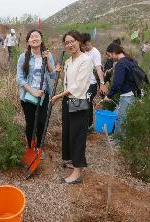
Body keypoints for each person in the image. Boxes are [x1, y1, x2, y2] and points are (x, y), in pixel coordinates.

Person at [51, 30, 93, 184]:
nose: (70, 44)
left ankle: (77, 171)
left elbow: (79, 86)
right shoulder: (68, 62)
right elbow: (66, 82)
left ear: (79, 41)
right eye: (67, 42)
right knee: (69, 133)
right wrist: (59, 72)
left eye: (72, 41)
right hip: (67, 100)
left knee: (77, 136)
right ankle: (73, 161)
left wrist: (58, 96)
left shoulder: (86, 60)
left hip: (78, 101)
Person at [16, 29, 55, 159]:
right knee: (31, 122)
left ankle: (39, 146)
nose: (34, 38)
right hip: (28, 96)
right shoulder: (23, 57)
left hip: (44, 95)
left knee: (42, 122)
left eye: (37, 36)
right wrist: (33, 91)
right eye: (32, 36)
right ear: (28, 41)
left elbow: (53, 74)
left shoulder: (48, 55)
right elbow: (20, 78)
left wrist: (47, 60)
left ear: (41, 39)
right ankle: (30, 146)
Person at [104, 43, 137, 135]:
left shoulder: (121, 64)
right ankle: (116, 136)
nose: (110, 58)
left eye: (110, 55)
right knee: (118, 115)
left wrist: (109, 95)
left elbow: (117, 83)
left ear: (114, 52)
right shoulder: (129, 60)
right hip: (133, 92)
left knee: (121, 119)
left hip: (127, 95)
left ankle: (119, 141)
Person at [81, 33, 107, 131]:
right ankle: (87, 124)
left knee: (87, 102)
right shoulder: (82, 51)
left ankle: (88, 126)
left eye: (86, 45)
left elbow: (99, 68)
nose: (85, 47)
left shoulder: (95, 52)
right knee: (85, 102)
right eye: (83, 45)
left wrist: (102, 83)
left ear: (90, 42)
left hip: (91, 84)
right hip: (83, 83)